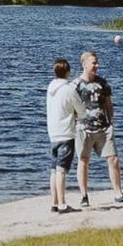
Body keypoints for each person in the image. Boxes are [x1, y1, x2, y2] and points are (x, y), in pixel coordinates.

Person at [72, 50, 123, 207]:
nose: (97, 66)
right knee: (83, 160)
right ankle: (84, 196)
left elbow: (109, 105)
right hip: (83, 129)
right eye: (93, 63)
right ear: (84, 64)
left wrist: (111, 122)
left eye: (97, 63)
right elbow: (71, 109)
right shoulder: (75, 85)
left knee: (113, 159)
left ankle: (118, 193)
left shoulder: (103, 83)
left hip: (103, 128)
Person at [45, 58, 79, 214]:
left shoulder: (50, 87)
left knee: (54, 170)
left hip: (53, 133)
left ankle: (54, 202)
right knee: (61, 170)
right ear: (67, 72)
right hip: (66, 133)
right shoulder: (69, 89)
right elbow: (81, 109)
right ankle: (62, 204)